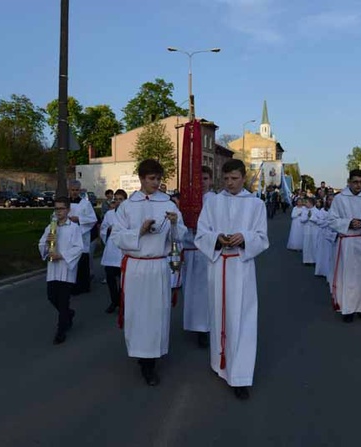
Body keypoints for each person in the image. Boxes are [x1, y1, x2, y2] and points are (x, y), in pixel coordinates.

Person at [195, 159, 269, 400]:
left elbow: (261, 237)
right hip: (218, 266)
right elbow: (201, 233)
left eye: (235, 178)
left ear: (244, 177)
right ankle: (220, 363)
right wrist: (217, 238)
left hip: (242, 267)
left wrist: (244, 237)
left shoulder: (256, 204)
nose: (230, 183)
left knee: (242, 320)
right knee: (219, 316)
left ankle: (240, 376)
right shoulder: (213, 202)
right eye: (226, 179)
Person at [111, 159, 187, 386]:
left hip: (158, 266)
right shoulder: (127, 205)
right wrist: (139, 232)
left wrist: (174, 224)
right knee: (137, 314)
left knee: (156, 313)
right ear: (141, 178)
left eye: (158, 178)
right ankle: (140, 353)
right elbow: (116, 237)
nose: (156, 183)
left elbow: (179, 238)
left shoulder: (169, 204)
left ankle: (151, 362)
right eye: (151, 179)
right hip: (135, 266)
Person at [327, 169, 361, 322]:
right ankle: (348, 308)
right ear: (349, 182)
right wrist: (348, 223)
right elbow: (331, 220)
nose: (358, 185)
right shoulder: (340, 199)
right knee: (348, 276)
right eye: (355, 182)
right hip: (347, 242)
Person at [38, 197, 84, 345]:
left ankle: (61, 331)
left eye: (61, 208)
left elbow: (78, 247)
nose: (58, 211)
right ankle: (69, 314)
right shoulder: (51, 227)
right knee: (51, 296)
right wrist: (46, 243)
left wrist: (62, 255)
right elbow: (41, 243)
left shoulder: (74, 228)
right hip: (53, 268)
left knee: (63, 301)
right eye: (56, 208)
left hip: (66, 268)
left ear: (68, 210)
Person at [182, 166, 217, 348]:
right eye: (198, 179)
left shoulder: (215, 201)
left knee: (205, 292)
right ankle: (195, 324)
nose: (201, 183)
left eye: (204, 179)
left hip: (206, 253)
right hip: (190, 251)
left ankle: (206, 327)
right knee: (191, 292)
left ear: (210, 180)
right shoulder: (188, 200)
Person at [68, 180, 98, 295]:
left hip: (82, 236)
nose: (74, 192)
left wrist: (79, 219)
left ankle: (83, 286)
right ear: (69, 190)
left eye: (76, 190)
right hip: (68, 236)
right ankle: (71, 285)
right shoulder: (65, 204)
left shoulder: (86, 204)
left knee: (82, 262)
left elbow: (93, 219)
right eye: (72, 190)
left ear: (80, 190)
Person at [100, 189, 127, 314]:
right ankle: (114, 300)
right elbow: (103, 229)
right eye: (116, 199)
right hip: (111, 251)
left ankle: (122, 302)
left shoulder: (130, 215)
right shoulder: (109, 214)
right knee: (110, 279)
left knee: (123, 280)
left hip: (123, 252)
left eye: (121, 199)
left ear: (125, 201)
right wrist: (108, 230)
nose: (118, 202)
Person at [300, 197, 320, 265]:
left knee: (314, 244)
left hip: (314, 229)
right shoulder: (304, 210)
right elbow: (302, 220)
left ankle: (314, 260)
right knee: (306, 244)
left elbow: (319, 220)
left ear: (311, 203)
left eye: (307, 202)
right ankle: (307, 260)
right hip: (307, 229)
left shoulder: (317, 211)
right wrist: (307, 217)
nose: (305, 203)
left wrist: (311, 218)